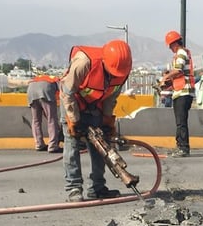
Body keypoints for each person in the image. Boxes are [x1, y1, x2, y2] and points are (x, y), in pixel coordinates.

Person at [60, 39, 132, 201]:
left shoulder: (122, 69)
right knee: (72, 145)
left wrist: (107, 119)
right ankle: (74, 188)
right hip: (73, 103)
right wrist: (73, 119)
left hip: (96, 107)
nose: (114, 75)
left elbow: (112, 96)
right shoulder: (85, 62)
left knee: (101, 146)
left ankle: (97, 187)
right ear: (105, 62)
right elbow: (67, 92)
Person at [160, 30, 195, 157]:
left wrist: (165, 78)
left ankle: (183, 148)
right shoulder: (182, 53)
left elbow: (178, 70)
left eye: (170, 45)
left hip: (183, 92)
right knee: (180, 121)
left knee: (181, 122)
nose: (169, 48)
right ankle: (180, 146)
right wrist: (169, 81)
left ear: (174, 43)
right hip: (181, 91)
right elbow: (180, 73)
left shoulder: (181, 53)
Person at [27, 74, 63, 153]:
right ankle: (53, 146)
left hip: (31, 91)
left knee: (36, 120)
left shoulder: (41, 78)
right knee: (52, 119)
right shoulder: (57, 80)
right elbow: (64, 93)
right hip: (46, 91)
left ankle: (39, 144)